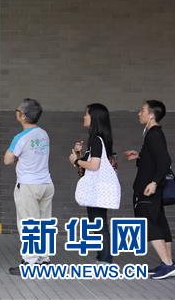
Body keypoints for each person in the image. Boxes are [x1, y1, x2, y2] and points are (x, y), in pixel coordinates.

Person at [124, 100, 175, 280]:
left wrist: (154, 182)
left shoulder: (154, 134)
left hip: (147, 189)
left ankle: (167, 265)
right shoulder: (154, 134)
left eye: (142, 110)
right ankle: (168, 263)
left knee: (147, 224)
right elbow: (155, 159)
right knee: (159, 223)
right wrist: (140, 156)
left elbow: (165, 161)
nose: (139, 113)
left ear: (151, 115)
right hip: (152, 189)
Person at [3, 98, 54, 274]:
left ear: (23, 116)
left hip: (28, 186)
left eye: (17, 110)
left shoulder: (20, 137)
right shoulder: (44, 134)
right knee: (44, 223)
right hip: (46, 184)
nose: (16, 113)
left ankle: (30, 263)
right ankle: (44, 260)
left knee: (28, 223)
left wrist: (17, 157)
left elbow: (7, 159)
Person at [68, 103, 118, 265]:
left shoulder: (97, 140)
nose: (84, 117)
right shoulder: (100, 140)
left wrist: (75, 161)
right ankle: (103, 257)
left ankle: (105, 260)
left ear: (94, 118)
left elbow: (94, 165)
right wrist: (78, 155)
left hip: (97, 189)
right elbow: (87, 165)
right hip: (98, 188)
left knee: (99, 222)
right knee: (98, 222)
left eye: (87, 114)